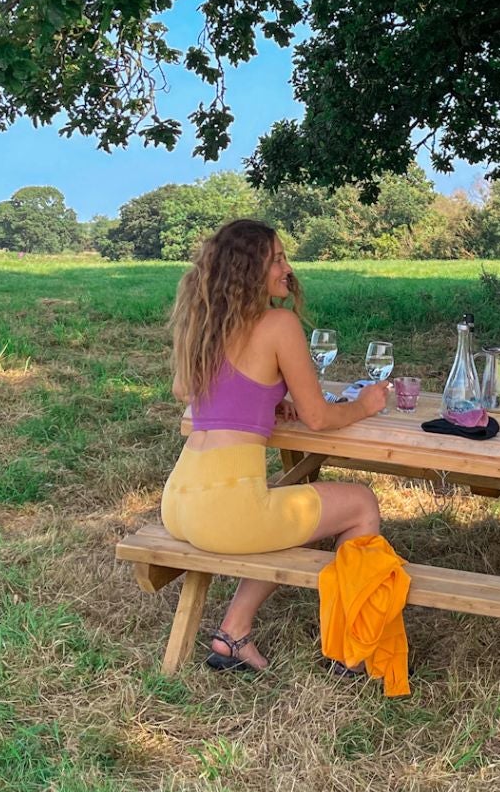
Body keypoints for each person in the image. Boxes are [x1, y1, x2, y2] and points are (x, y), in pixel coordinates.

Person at [161, 218, 390, 672]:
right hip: (227, 512)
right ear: (251, 271)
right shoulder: (278, 323)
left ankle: (234, 631)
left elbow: (185, 392)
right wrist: (364, 406)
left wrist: (266, 400)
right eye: (278, 259)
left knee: (288, 510)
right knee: (361, 503)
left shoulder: (206, 324)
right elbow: (320, 417)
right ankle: (351, 651)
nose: (288, 268)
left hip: (179, 502)